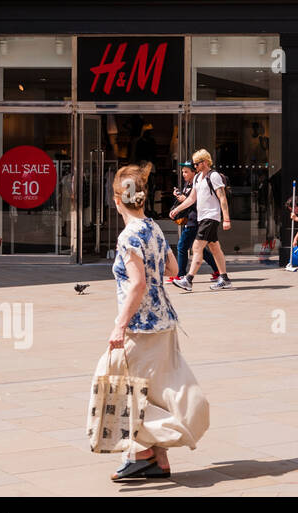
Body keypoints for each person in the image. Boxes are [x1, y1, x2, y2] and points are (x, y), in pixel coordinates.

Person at [96, 162, 209, 481]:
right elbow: (173, 267)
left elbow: (137, 284)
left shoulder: (128, 236)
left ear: (118, 200)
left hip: (140, 327)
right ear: (142, 199)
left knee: (118, 385)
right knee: (154, 392)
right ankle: (157, 461)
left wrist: (119, 325)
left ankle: (146, 450)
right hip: (166, 322)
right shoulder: (153, 229)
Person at [167, 149, 232, 292]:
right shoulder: (197, 178)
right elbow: (191, 199)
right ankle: (225, 279)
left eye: (196, 164)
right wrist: (177, 209)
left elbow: (222, 198)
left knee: (196, 247)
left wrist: (226, 219)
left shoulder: (213, 176)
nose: (194, 166)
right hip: (202, 218)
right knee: (215, 248)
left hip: (211, 217)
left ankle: (188, 280)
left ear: (205, 162)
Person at [169, 162, 218, 283]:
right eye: (182, 172)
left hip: (196, 220)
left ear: (194, 172)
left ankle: (180, 275)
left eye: (186, 171)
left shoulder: (199, 183)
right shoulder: (188, 184)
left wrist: (184, 199)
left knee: (182, 246)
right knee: (199, 248)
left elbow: (200, 202)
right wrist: (179, 196)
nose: (183, 174)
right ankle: (218, 271)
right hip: (191, 220)